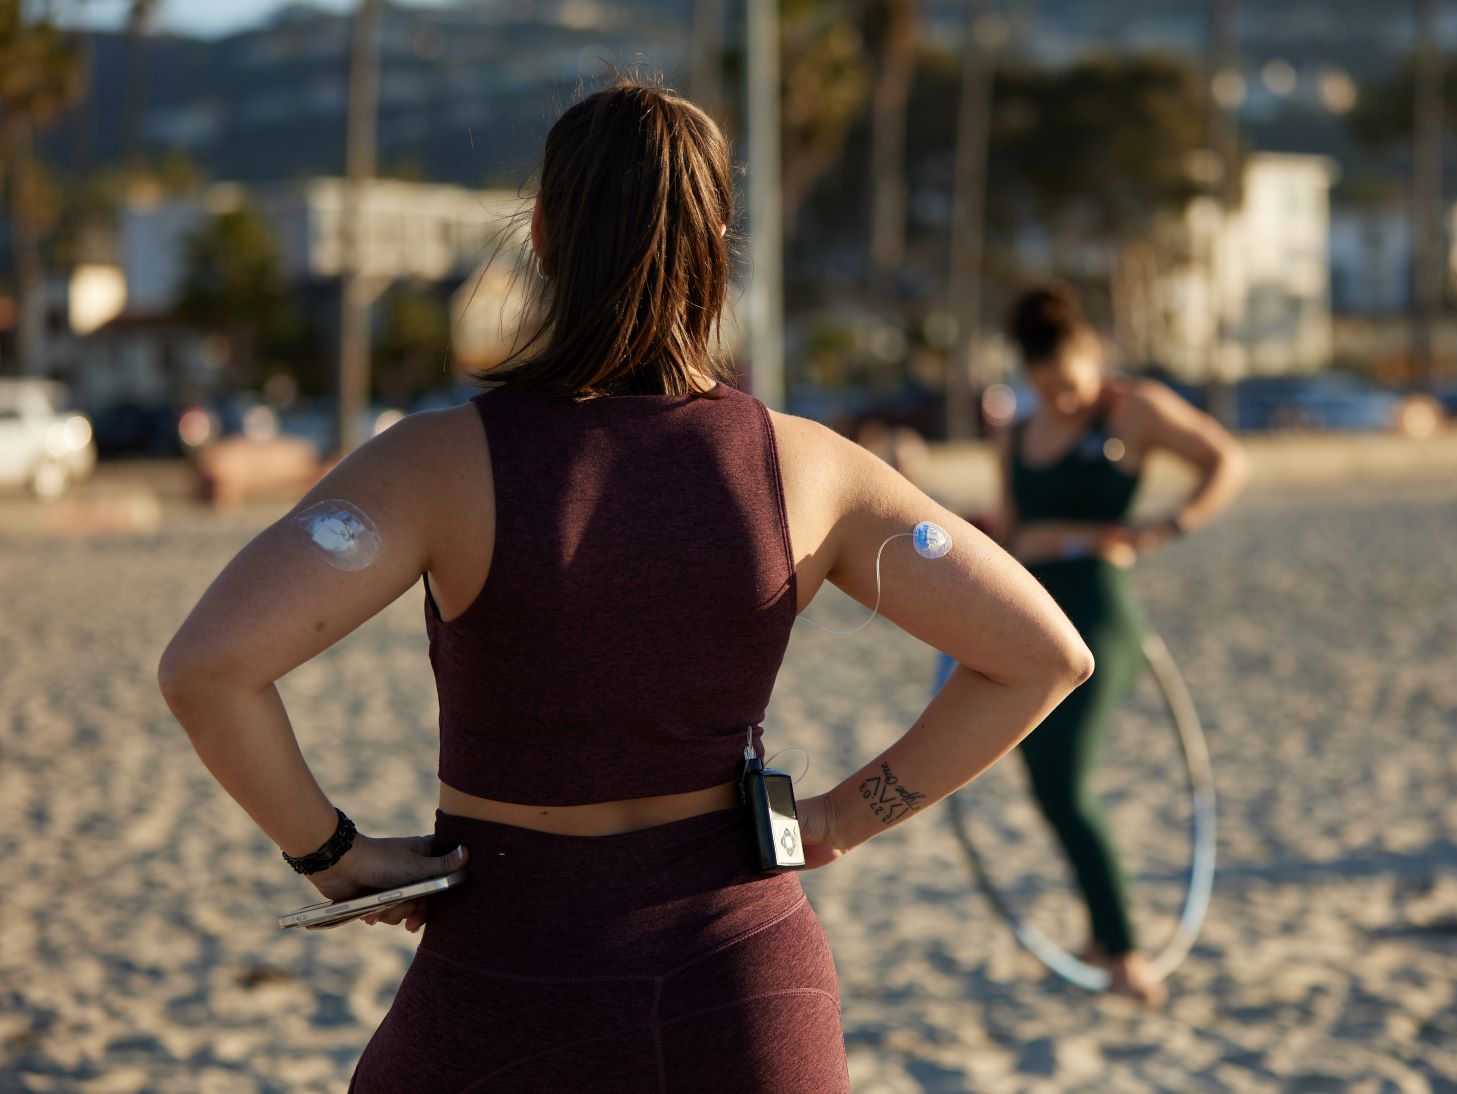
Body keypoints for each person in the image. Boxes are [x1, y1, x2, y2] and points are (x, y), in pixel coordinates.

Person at [157, 80, 1094, 1092]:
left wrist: (331, 852)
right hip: (746, 988)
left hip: (506, 978)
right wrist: (838, 818)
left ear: (545, 233)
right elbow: (1043, 654)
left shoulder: (435, 463)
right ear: (717, 240)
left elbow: (209, 668)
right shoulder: (811, 466)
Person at [995, 284, 1248, 1005]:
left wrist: (1163, 529)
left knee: (1069, 787)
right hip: (1029, 616)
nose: (1062, 403)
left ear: (1093, 356)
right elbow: (1013, 531)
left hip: (1100, 612)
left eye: (1071, 386)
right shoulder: (1014, 430)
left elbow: (1227, 462)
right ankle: (1105, 937)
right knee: (1045, 787)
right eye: (1047, 391)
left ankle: (1127, 952)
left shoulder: (1134, 408)